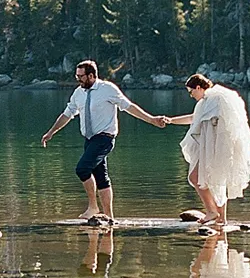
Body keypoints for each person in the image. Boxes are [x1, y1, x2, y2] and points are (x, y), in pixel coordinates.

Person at [41, 59, 167, 223]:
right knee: (101, 177)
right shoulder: (79, 93)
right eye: (76, 75)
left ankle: (93, 206)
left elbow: (128, 106)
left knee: (82, 169)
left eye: (81, 76)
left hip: (104, 138)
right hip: (89, 139)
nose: (77, 79)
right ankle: (110, 217)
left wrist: (152, 120)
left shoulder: (107, 89)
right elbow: (67, 114)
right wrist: (51, 132)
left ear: (91, 75)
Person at [163, 74, 250, 228]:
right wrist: (171, 120)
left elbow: (218, 123)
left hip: (215, 147)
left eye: (191, 91)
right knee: (217, 180)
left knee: (195, 177)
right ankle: (221, 219)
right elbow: (195, 119)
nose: (191, 95)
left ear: (199, 87)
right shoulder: (211, 100)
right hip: (219, 147)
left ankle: (211, 211)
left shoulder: (213, 99)